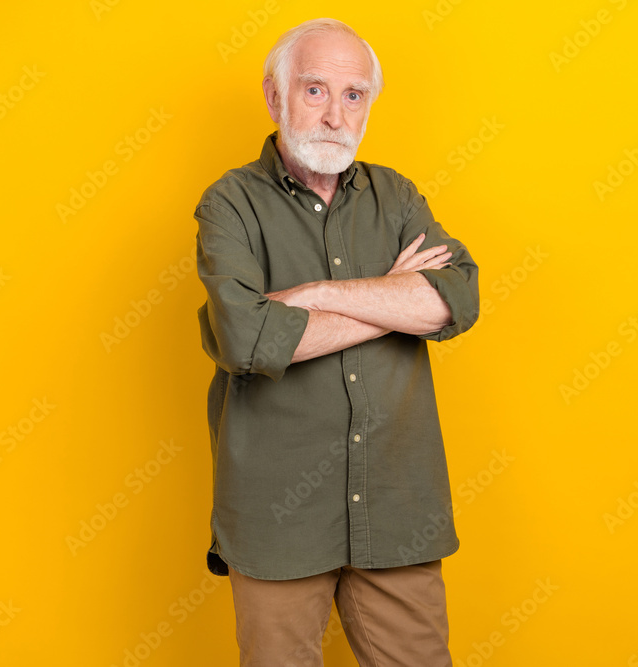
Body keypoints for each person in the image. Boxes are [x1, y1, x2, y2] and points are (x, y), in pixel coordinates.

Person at [194, 17, 479, 666]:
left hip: (397, 510)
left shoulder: (397, 196)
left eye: (354, 96)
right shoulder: (230, 205)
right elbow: (248, 338)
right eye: (315, 89)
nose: (334, 114)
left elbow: (457, 297)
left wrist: (313, 296)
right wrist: (397, 298)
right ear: (275, 95)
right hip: (278, 519)